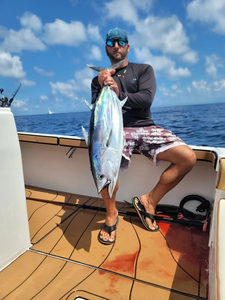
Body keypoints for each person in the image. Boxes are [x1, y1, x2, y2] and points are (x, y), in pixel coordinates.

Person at [91, 27, 196, 245]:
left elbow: (146, 99)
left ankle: (149, 201)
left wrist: (119, 92)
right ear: (106, 48)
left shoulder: (144, 70)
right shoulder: (98, 80)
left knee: (188, 158)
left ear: (128, 46)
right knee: (103, 167)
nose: (116, 46)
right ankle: (112, 214)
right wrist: (101, 84)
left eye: (121, 42)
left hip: (146, 126)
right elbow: (97, 111)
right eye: (111, 42)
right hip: (116, 129)